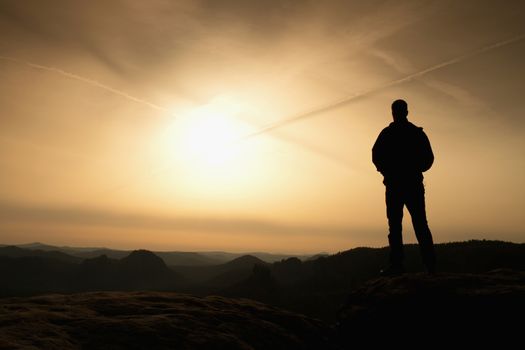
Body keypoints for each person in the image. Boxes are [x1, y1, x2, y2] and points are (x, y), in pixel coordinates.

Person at [372, 99, 436, 275]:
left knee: (402, 225)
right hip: (408, 184)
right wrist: (411, 169)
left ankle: (401, 265)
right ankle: (426, 265)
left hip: (398, 185)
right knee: (416, 225)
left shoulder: (390, 134)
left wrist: (388, 171)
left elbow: (376, 155)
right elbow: (428, 159)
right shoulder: (415, 133)